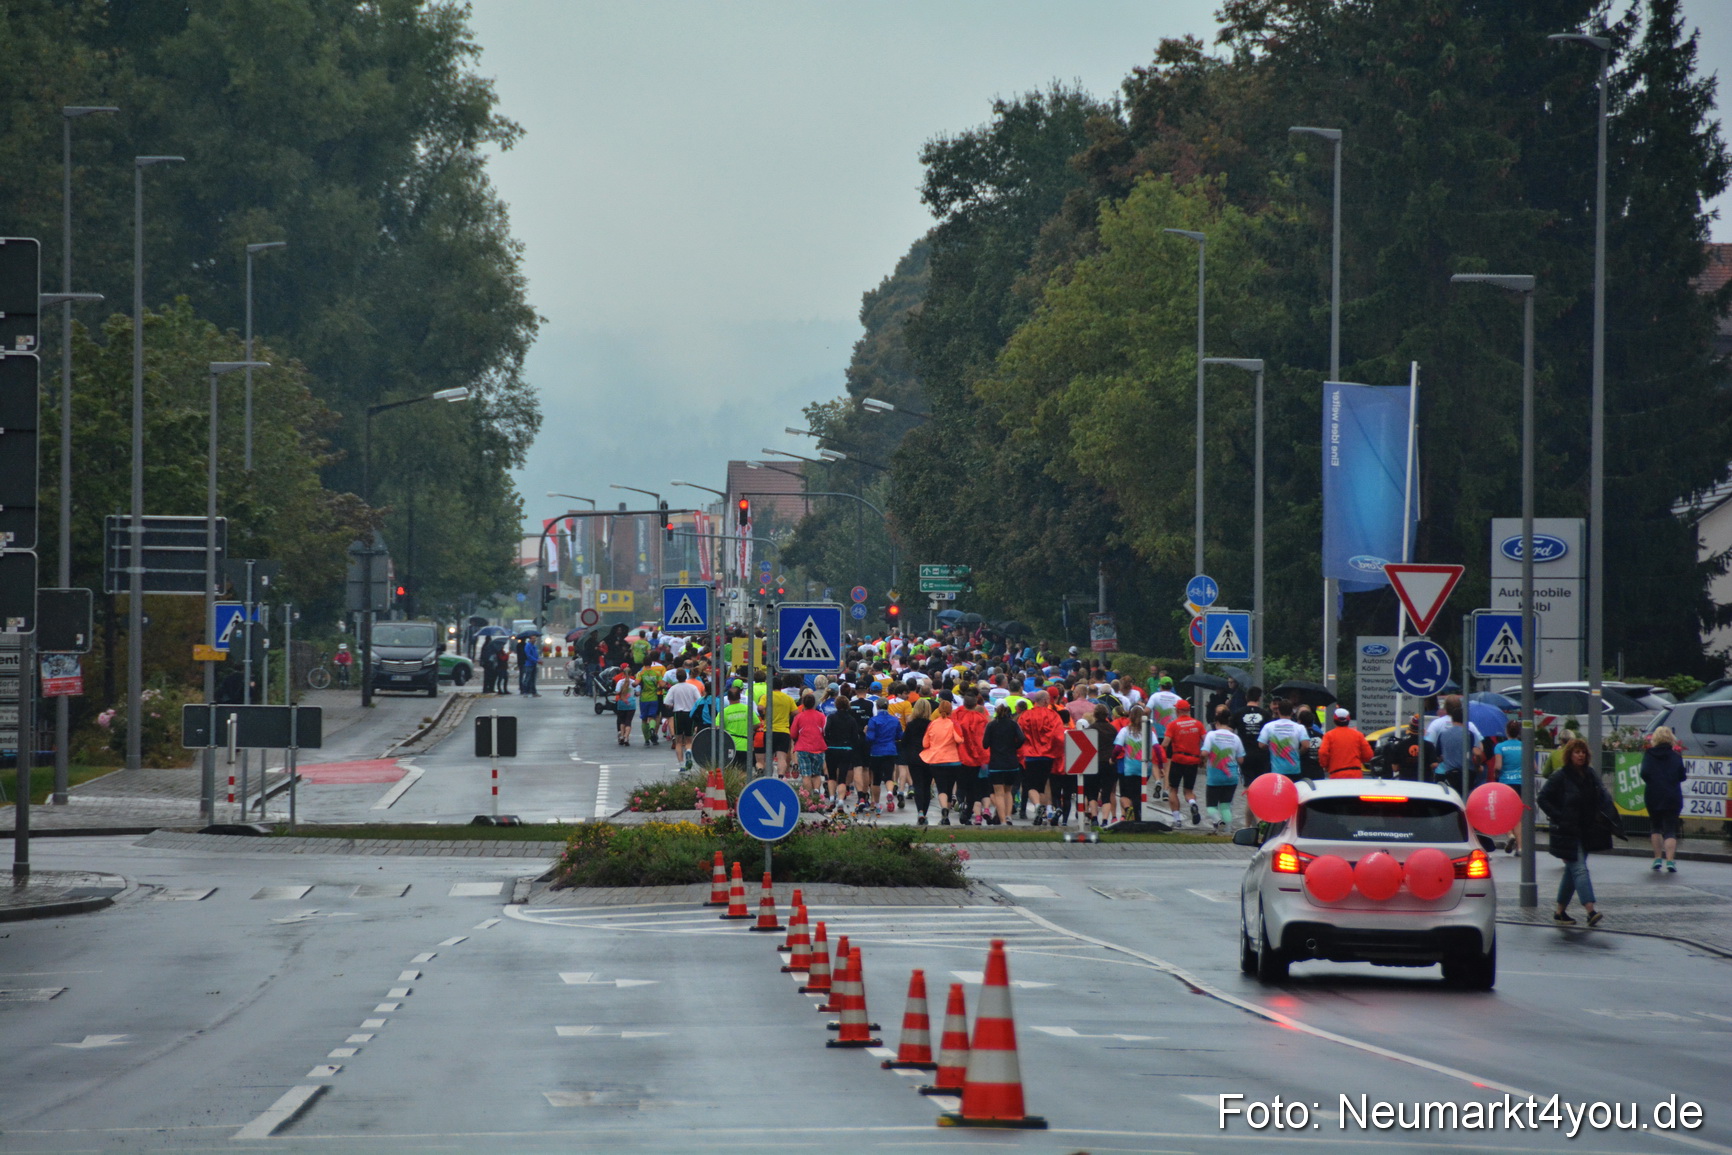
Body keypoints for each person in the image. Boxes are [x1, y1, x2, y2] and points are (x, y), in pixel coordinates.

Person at [1539, 737, 1622, 926]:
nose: (1581, 755)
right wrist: (1559, 816)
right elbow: (1542, 798)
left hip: (1586, 830)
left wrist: (1609, 818)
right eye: (1577, 752)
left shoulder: (1590, 774)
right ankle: (1590, 910)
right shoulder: (1561, 775)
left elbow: (1602, 797)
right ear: (1570, 754)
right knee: (1580, 869)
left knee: (1572, 872)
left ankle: (1560, 912)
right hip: (1567, 831)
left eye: (1583, 752)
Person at [1640, 725, 1688, 873]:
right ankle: (1670, 861)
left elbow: (1644, 773)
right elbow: (1682, 776)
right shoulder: (1676, 756)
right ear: (1670, 738)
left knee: (1655, 827)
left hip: (1653, 794)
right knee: (1670, 829)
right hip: (1672, 795)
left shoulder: (1649, 755)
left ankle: (1657, 858)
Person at [1018, 690, 1064, 825]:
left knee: (1031, 786)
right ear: (1045, 701)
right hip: (1048, 755)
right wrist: (1056, 751)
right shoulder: (1053, 716)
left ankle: (1038, 807)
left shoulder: (1025, 715)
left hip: (1030, 755)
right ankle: (1044, 813)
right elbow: (1058, 737)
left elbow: (1019, 735)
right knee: (1043, 786)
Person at [1163, 700, 1208, 826]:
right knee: (1188, 791)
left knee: (1173, 790)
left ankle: (1177, 819)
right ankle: (1192, 803)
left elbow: (1165, 743)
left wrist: (1161, 755)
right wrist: (1203, 758)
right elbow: (1206, 741)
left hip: (1178, 760)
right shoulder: (1198, 724)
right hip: (1193, 761)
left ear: (1177, 710)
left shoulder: (1173, 725)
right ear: (1189, 710)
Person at [1201, 706, 1245, 833]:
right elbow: (1241, 759)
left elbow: (1204, 753)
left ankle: (1218, 820)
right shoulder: (1235, 738)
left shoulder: (1212, 735)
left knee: (1211, 806)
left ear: (1217, 722)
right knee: (1226, 805)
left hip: (1215, 775)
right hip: (1231, 776)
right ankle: (1228, 830)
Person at [922, 698, 964, 826]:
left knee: (941, 788)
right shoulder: (953, 723)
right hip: (953, 760)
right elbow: (959, 740)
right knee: (950, 787)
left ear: (939, 710)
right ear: (951, 710)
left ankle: (943, 810)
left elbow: (925, 743)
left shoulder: (932, 724)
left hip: (936, 760)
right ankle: (948, 809)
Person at [1488, 719, 1526, 854]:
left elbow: (1498, 766)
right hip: (1521, 784)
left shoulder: (1500, 747)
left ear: (1506, 731)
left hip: (1506, 784)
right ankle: (1520, 848)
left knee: (1504, 814)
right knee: (1517, 816)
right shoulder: (1525, 746)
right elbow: (1533, 766)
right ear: (1519, 732)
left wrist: (1495, 774)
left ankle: (1510, 836)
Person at [984, 703, 1023, 826]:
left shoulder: (991, 725)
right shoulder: (1013, 724)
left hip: (996, 763)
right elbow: (1022, 738)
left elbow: (985, 744)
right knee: (1008, 791)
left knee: (998, 793)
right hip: (1012, 762)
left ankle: (1002, 820)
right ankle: (1008, 816)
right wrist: (1014, 747)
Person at [863, 698, 903, 810]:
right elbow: (900, 736)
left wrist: (865, 733)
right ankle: (890, 792)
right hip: (890, 751)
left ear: (878, 707)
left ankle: (875, 803)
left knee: (876, 779)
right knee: (889, 776)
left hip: (876, 752)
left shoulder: (873, 720)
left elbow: (870, 738)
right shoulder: (895, 720)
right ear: (888, 706)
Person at [1113, 705, 1150, 823]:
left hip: (1129, 769)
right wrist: (1159, 765)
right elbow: (1157, 749)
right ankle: (1138, 817)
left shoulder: (1125, 730)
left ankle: (1129, 809)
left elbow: (1118, 747)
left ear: (1130, 716)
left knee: (1125, 794)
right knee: (1138, 793)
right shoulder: (1148, 730)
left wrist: (1112, 758)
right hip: (1144, 768)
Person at [901, 698, 935, 825]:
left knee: (918, 785)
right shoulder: (931, 725)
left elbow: (904, 742)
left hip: (914, 758)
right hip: (929, 757)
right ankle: (924, 813)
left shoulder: (911, 725)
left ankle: (919, 811)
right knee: (927, 786)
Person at [1258, 699, 1310, 780]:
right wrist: (1298, 753)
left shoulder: (1269, 726)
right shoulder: (1299, 727)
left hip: (1276, 770)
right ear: (1292, 712)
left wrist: (1272, 748)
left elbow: (1261, 744)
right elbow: (1306, 745)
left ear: (1278, 711)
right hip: (1294, 769)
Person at [1317, 707, 1373, 778]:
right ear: (1348, 720)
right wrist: (1358, 760)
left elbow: (1323, 752)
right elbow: (1368, 754)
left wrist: (1325, 765)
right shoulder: (1358, 735)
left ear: (1334, 720)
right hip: (1356, 773)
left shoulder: (1329, 735)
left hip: (1336, 774)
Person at [663, 668, 702, 769]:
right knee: (689, 739)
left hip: (678, 714)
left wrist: (672, 704)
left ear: (677, 677)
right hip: (689, 714)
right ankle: (688, 752)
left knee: (678, 741)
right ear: (686, 676)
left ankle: (681, 764)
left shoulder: (674, 688)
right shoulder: (692, 687)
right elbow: (698, 700)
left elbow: (667, 702)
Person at [719, 685, 750, 768]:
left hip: (730, 745)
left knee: (730, 770)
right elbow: (756, 724)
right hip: (745, 744)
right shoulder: (747, 709)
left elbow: (717, 727)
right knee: (743, 771)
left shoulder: (724, 711)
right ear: (740, 697)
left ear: (728, 698)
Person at [611, 664, 638, 746]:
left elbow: (617, 692)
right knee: (628, 722)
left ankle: (622, 736)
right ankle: (626, 737)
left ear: (622, 673)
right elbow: (637, 692)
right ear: (631, 674)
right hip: (631, 704)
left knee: (622, 721)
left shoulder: (620, 682)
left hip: (621, 703)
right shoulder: (634, 682)